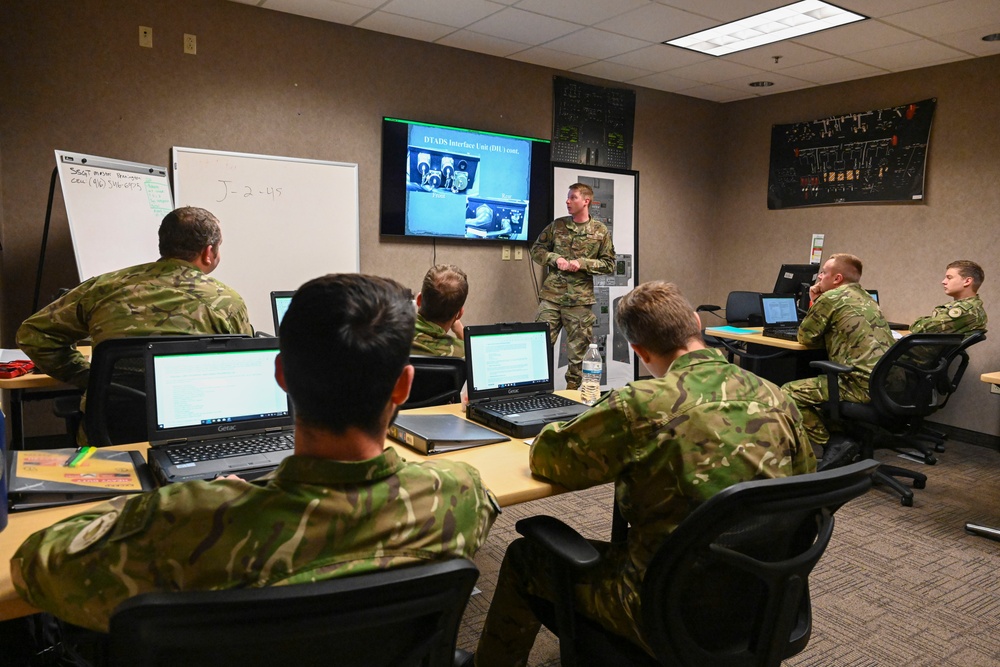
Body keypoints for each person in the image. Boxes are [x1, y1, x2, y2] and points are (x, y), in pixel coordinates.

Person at [12, 273, 499, 634]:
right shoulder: (462, 491)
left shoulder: (187, 521)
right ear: (404, 386)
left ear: (281, 376)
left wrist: (160, 501)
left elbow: (34, 565)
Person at [474, 281, 815, 666]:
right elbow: (805, 484)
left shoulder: (640, 404)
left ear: (639, 351)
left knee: (526, 556)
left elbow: (548, 460)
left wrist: (559, 426)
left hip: (663, 610)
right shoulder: (776, 396)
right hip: (762, 598)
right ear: (697, 322)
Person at [17, 206, 253, 390]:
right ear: (209, 252)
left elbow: (33, 335)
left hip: (108, 433)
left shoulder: (104, 286)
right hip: (191, 433)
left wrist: (91, 377)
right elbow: (244, 370)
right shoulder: (227, 302)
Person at [781, 253, 895, 467]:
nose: (819, 277)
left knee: (787, 392)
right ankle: (846, 439)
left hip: (858, 385)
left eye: (823, 272)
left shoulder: (832, 298)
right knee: (820, 386)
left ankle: (835, 443)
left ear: (837, 279)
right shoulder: (866, 298)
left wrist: (814, 299)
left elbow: (805, 336)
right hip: (883, 385)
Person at [531, 183, 615, 389]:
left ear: (586, 201)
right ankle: (534, 391)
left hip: (579, 301)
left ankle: (572, 394)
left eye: (573, 198)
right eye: (568, 198)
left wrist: (584, 263)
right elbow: (536, 250)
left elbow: (609, 264)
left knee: (578, 353)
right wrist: (554, 258)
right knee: (538, 347)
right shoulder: (557, 226)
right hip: (552, 298)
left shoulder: (600, 231)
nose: (568, 201)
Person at [910, 260, 987, 334]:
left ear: (967, 281)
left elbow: (920, 329)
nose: (943, 282)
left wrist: (918, 322)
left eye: (949, 278)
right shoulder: (971, 307)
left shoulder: (966, 311)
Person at [411, 264, 468, 357]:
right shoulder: (462, 354)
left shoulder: (387, 338)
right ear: (459, 314)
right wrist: (461, 332)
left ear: (418, 299)